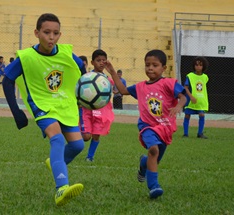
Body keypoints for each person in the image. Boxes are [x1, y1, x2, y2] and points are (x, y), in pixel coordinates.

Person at [2, 13, 87, 206]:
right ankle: (61, 189)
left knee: (77, 146)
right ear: (37, 33)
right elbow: (7, 80)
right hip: (41, 105)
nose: (51, 37)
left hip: (64, 104)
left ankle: (55, 163)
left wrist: (84, 93)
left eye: (56, 33)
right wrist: (17, 112)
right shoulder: (27, 57)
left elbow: (82, 69)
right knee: (56, 139)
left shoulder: (66, 53)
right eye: (47, 32)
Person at [105, 49, 187, 199]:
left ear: (163, 68)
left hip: (164, 127)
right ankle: (154, 187)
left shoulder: (168, 83)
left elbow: (183, 96)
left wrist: (179, 105)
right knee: (154, 151)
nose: (150, 68)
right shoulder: (140, 87)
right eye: (147, 65)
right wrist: (112, 71)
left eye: (155, 65)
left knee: (154, 159)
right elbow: (122, 90)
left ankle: (143, 164)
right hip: (147, 126)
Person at [80, 49, 115, 162]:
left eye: (104, 60)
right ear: (92, 62)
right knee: (86, 137)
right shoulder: (87, 77)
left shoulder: (108, 79)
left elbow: (113, 90)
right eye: (98, 60)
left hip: (101, 110)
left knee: (96, 134)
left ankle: (90, 157)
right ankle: (73, 135)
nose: (101, 63)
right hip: (87, 109)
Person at [182, 57, 209, 139]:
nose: (198, 67)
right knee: (187, 115)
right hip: (191, 101)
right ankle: (185, 134)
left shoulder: (205, 77)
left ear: (203, 66)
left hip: (200, 101)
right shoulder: (190, 76)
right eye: (196, 65)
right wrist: (191, 96)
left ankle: (200, 133)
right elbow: (185, 87)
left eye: (200, 65)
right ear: (194, 66)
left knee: (201, 114)